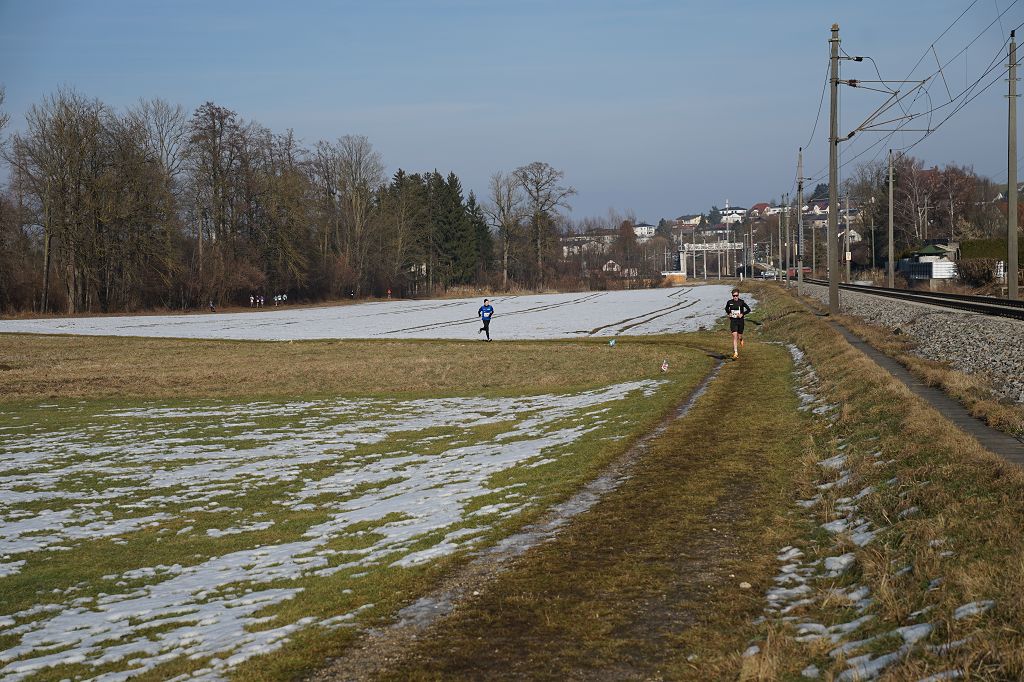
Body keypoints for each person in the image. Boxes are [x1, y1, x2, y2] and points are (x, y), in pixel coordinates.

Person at [724, 288, 751, 359]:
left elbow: (749, 310)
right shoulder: (729, 302)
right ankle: (735, 353)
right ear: (732, 296)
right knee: (734, 336)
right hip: (733, 321)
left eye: (736, 295)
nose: (735, 297)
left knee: (739, 336)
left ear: (738, 295)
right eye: (734, 296)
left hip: (740, 321)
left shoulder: (741, 302)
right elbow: (726, 309)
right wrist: (729, 313)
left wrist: (742, 314)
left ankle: (741, 339)